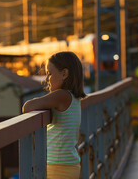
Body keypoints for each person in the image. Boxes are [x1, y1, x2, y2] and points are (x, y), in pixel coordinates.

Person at [22, 51, 86, 179]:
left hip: (58, 168)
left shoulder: (61, 95)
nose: (46, 79)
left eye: (49, 74)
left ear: (64, 74)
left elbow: (27, 107)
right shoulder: (73, 97)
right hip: (69, 165)